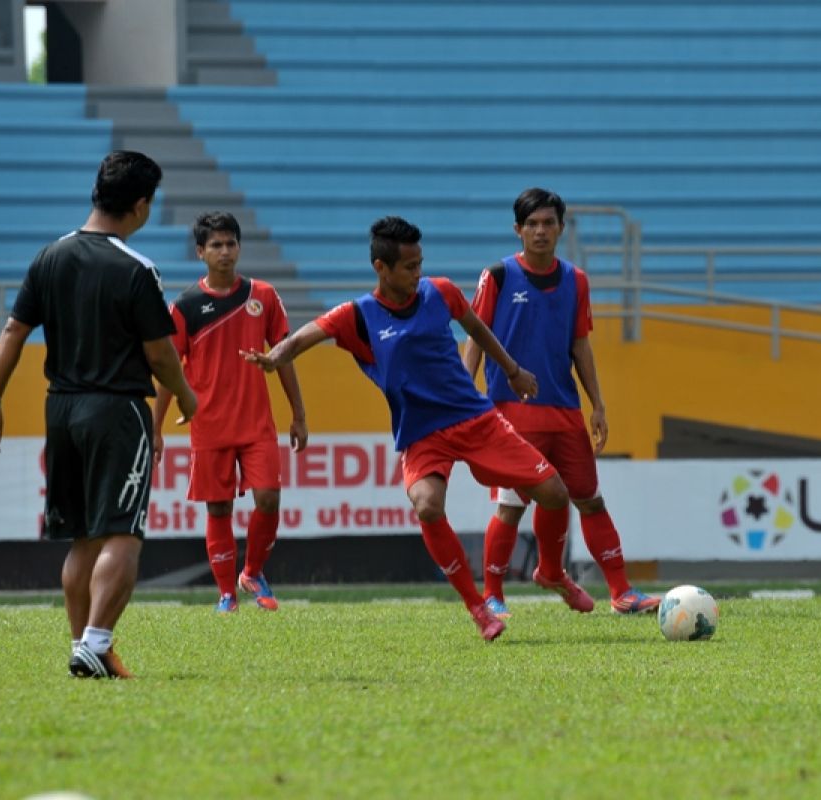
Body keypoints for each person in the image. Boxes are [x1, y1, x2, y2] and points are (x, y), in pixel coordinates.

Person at [241, 216, 583, 641]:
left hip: (473, 419)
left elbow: (477, 327)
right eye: (409, 267)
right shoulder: (358, 315)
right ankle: (478, 609)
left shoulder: (439, 291)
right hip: (422, 434)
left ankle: (552, 572)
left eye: (420, 263)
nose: (418, 273)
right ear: (381, 269)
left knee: (555, 493)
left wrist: (512, 370)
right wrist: (275, 358)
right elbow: (308, 334)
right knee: (427, 506)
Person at [0, 150, 197, 678]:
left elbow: (12, 332)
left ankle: (83, 646)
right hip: (116, 411)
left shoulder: (49, 257)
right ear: (140, 206)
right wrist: (186, 396)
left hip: (62, 410)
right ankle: (96, 641)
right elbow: (161, 353)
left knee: (82, 537)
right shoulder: (136, 269)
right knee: (122, 531)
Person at [462, 187, 659, 617]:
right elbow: (474, 336)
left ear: (561, 228)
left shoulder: (577, 281)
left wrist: (598, 404)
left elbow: (580, 345)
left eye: (548, 223)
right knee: (512, 503)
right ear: (517, 230)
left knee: (588, 497)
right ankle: (493, 594)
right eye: (531, 224)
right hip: (510, 410)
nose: (540, 231)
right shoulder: (495, 276)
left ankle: (620, 592)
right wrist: (466, 396)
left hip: (565, 411)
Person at [152, 212, 308, 613]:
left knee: (269, 499)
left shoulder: (264, 296)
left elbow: (284, 355)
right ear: (201, 252)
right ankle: (226, 594)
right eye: (216, 245)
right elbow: (169, 371)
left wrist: (299, 413)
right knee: (218, 508)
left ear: (240, 247)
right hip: (209, 426)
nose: (225, 251)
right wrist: (155, 428)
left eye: (231, 243)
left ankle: (252, 571)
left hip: (257, 424)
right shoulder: (185, 306)